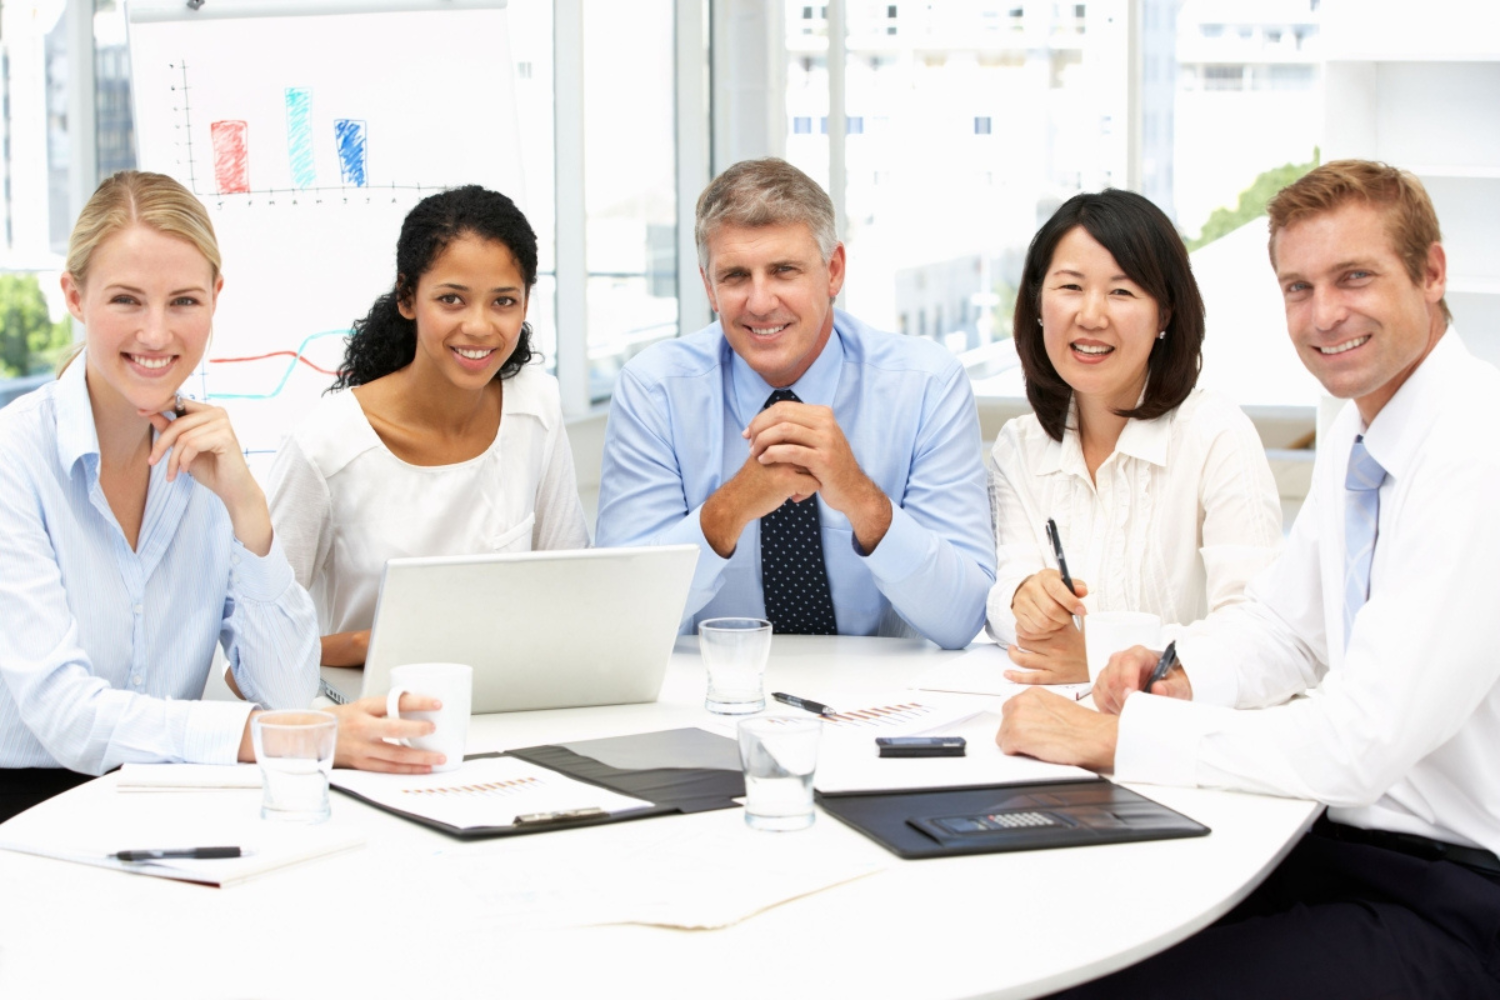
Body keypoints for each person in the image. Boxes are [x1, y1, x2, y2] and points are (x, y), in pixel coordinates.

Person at [1000, 161, 1500, 998]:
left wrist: (1119, 741)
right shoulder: (1363, 433)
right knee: (1055, 925)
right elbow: (1284, 631)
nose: (1324, 314)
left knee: (1104, 984)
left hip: (1459, 895)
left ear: (1433, 273)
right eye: (1298, 287)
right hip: (1343, 845)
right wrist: (1177, 670)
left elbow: (1361, 740)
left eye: (1354, 278)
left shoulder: (1475, 453)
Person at [0, 171, 448, 823]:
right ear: (74, 295)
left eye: (183, 301)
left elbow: (287, 690)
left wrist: (247, 511)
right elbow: (66, 716)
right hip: (23, 810)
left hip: (175, 798)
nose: (157, 334)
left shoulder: (212, 459)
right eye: (127, 300)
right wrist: (268, 736)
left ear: (215, 296)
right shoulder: (16, 457)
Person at [595, 158, 994, 649]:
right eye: (737, 276)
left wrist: (859, 496)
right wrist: (729, 510)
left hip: (883, 701)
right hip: (713, 695)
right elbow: (619, 620)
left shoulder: (926, 385)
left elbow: (965, 619)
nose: (760, 303)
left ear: (833, 270)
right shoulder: (654, 390)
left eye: (784, 271)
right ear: (709, 288)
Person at [266, 186, 588, 667]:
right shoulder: (325, 447)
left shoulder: (535, 407)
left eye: (503, 302)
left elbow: (574, 593)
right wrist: (363, 646)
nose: (480, 326)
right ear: (407, 297)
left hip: (513, 704)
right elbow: (257, 650)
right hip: (371, 716)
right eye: (452, 299)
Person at [988, 190, 1283, 684]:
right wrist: (1023, 596)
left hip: (1180, 728)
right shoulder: (1020, 445)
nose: (1091, 315)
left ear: (1164, 314)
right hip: (1054, 722)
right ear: (1038, 302)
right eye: (1070, 287)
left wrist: (1100, 658)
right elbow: (1002, 599)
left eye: (1122, 292)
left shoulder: (1216, 435)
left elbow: (1258, 628)